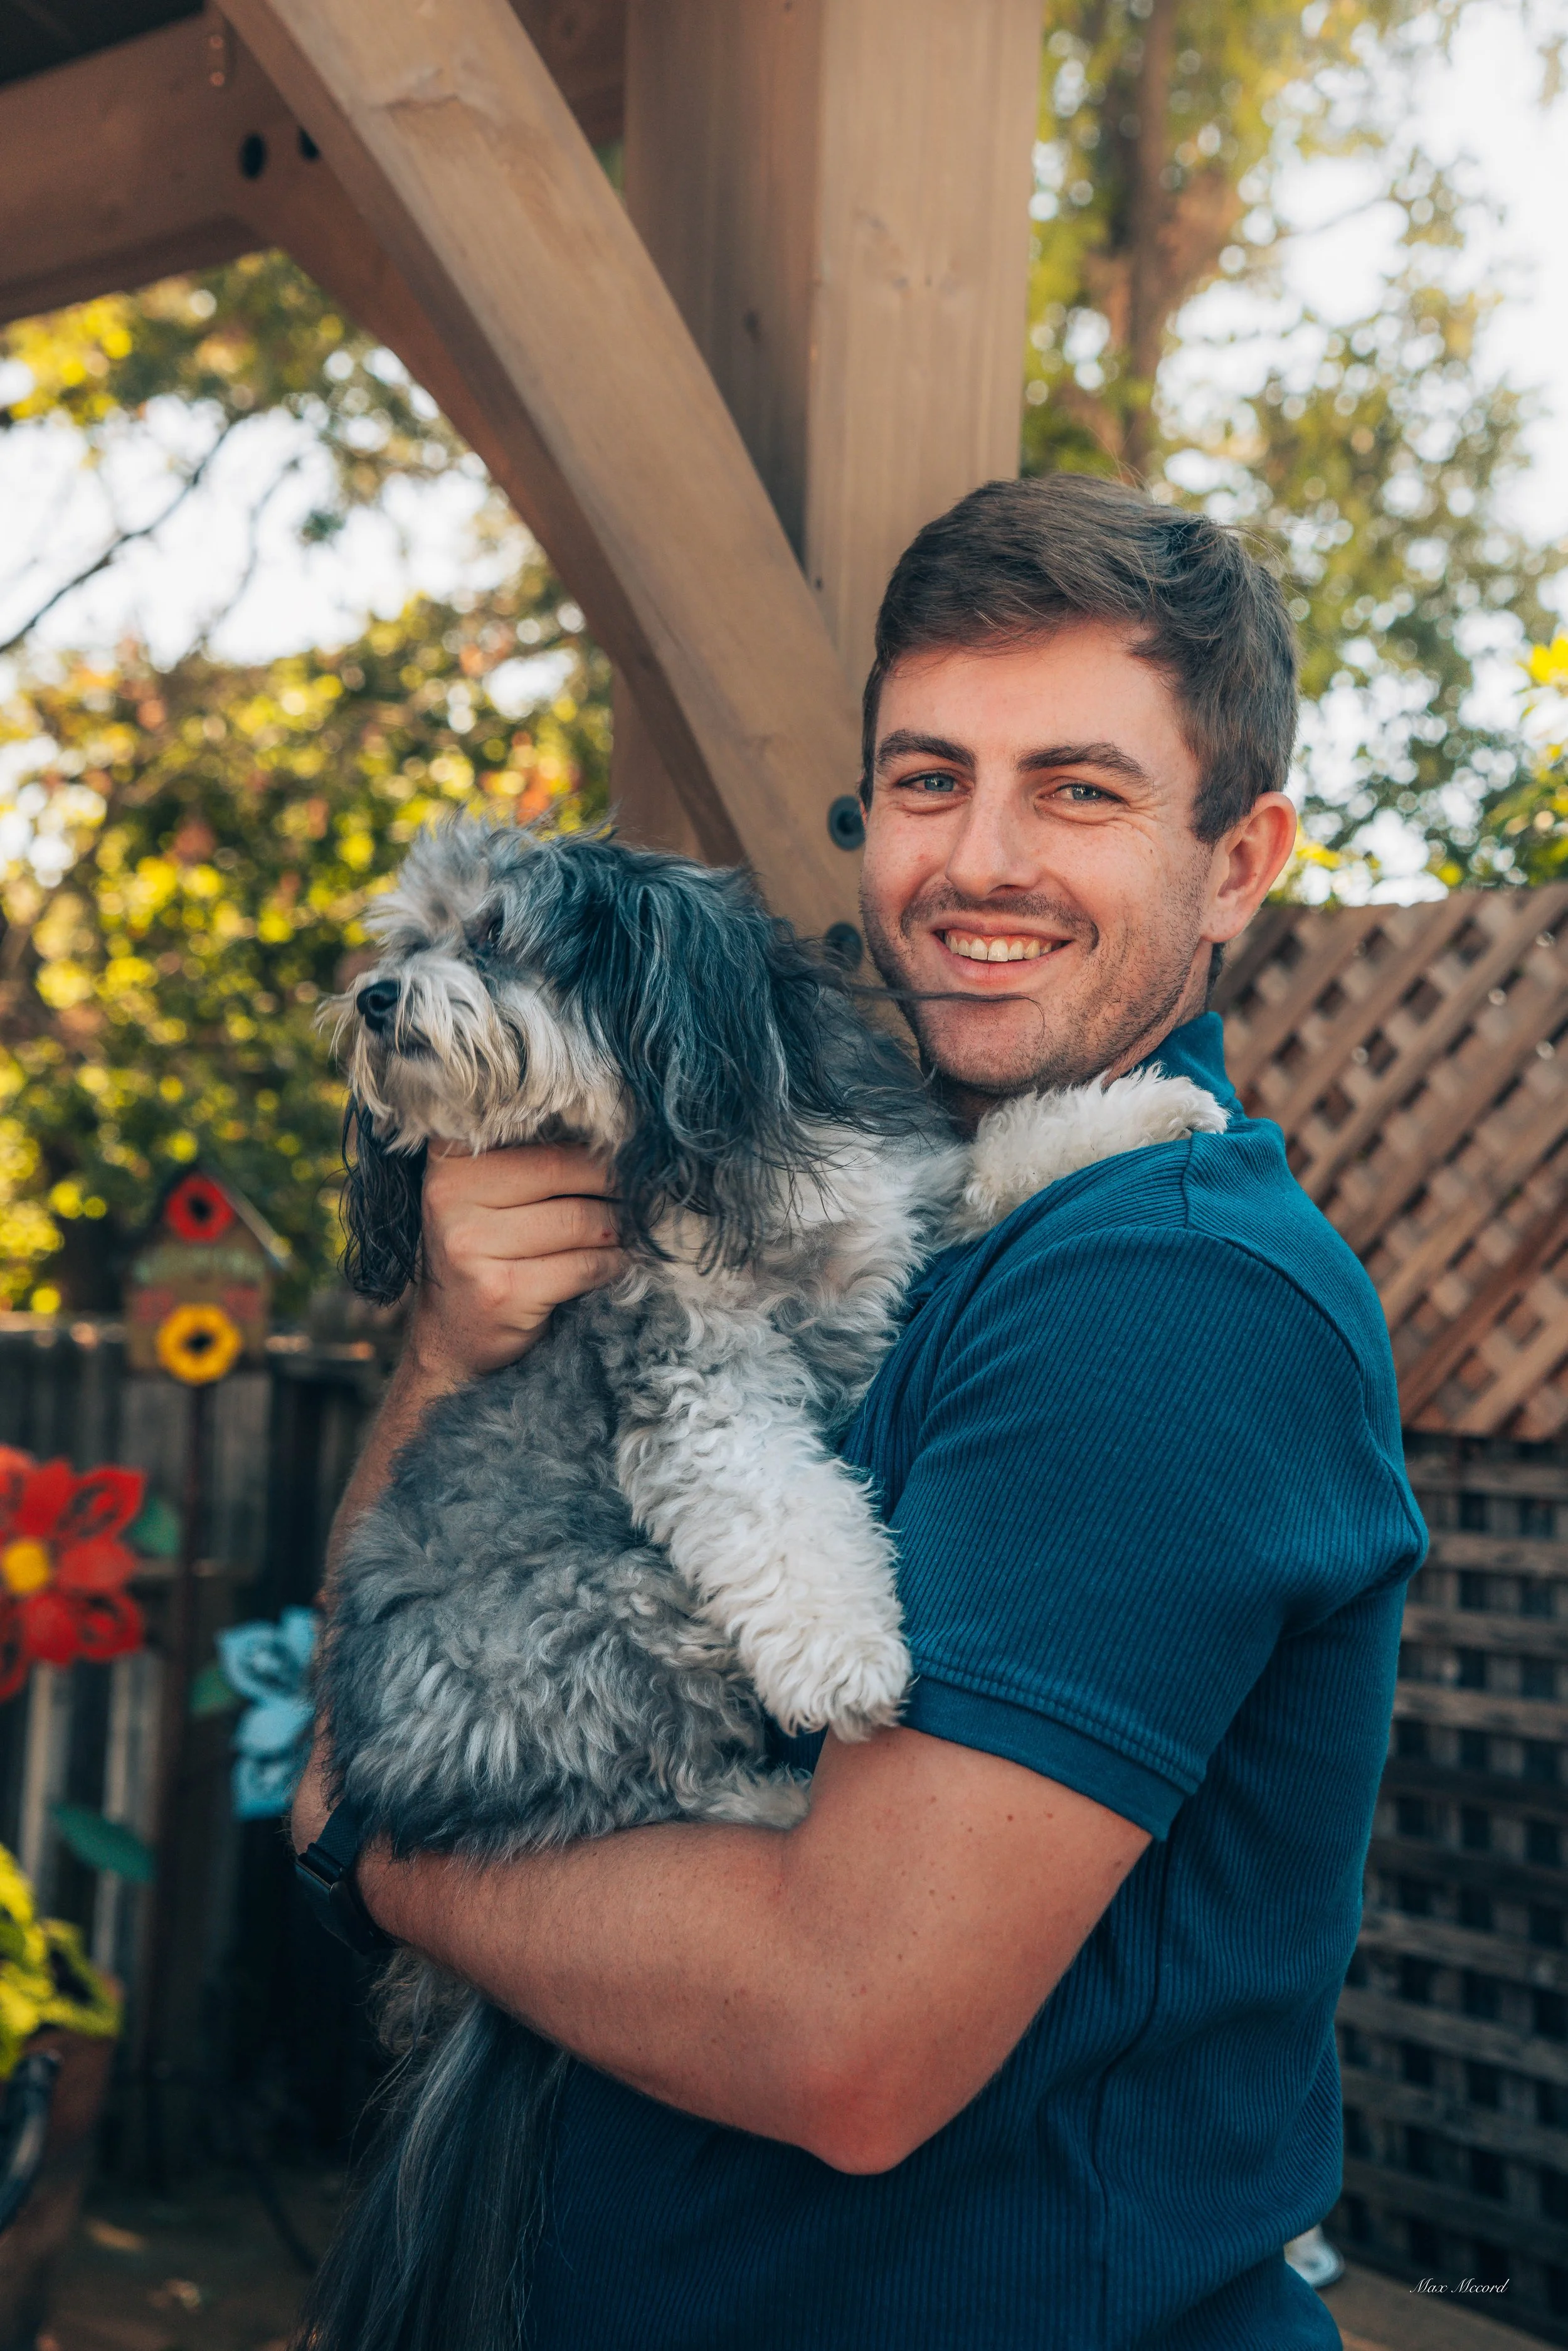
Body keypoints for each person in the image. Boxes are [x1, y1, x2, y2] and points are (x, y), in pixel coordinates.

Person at [294, 474, 1425, 2348]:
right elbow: (441, 1585)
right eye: (924, 779)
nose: (976, 859)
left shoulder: (1165, 1293)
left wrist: (366, 1832)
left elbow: (844, 2033)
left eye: (1076, 787)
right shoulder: (884, 1192)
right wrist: (450, 1349)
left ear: (1237, 861)